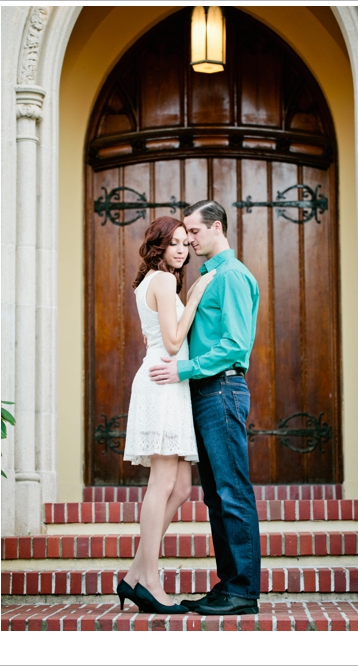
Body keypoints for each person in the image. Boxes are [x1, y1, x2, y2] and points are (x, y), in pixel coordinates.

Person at [150, 200, 261, 616]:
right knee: (216, 496)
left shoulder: (231, 276)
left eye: (194, 232)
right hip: (205, 393)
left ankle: (243, 592)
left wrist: (184, 369)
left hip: (222, 391)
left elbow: (234, 346)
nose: (190, 240)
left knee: (232, 492)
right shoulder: (208, 277)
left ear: (216, 228)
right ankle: (228, 585)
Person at [116, 216, 216, 615]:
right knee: (162, 483)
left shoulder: (157, 282)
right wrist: (192, 298)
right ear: (158, 246)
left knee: (181, 488)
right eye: (172, 243)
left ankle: (134, 574)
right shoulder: (161, 281)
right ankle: (151, 583)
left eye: (184, 243)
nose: (181, 249)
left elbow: (163, 336)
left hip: (169, 382)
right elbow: (174, 344)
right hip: (162, 379)